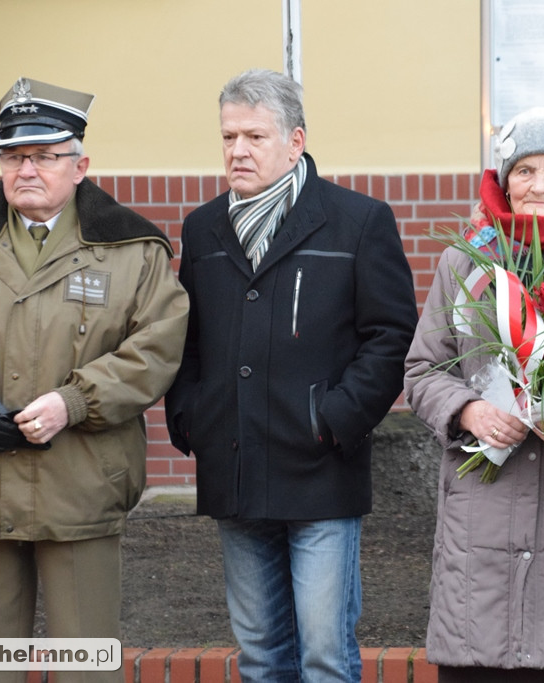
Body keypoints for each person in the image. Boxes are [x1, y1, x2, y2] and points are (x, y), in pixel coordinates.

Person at [0, 77, 189, 682]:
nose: (27, 170)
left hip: (81, 481)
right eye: (13, 157)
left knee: (85, 667)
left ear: (80, 164)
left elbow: (158, 345)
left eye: (44, 156)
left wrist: (75, 402)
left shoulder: (131, 247)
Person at [164, 68, 417, 683]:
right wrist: (192, 417)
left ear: (295, 141)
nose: (236, 151)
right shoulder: (204, 229)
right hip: (235, 465)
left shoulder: (358, 221)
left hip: (320, 472)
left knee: (326, 659)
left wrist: (334, 420)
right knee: (259, 658)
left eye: (253, 136)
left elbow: (389, 338)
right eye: (228, 137)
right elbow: (187, 339)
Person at [404, 107, 544, 683]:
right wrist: (469, 410)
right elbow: (422, 369)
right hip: (482, 520)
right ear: (504, 179)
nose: (537, 185)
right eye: (524, 169)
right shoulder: (467, 260)